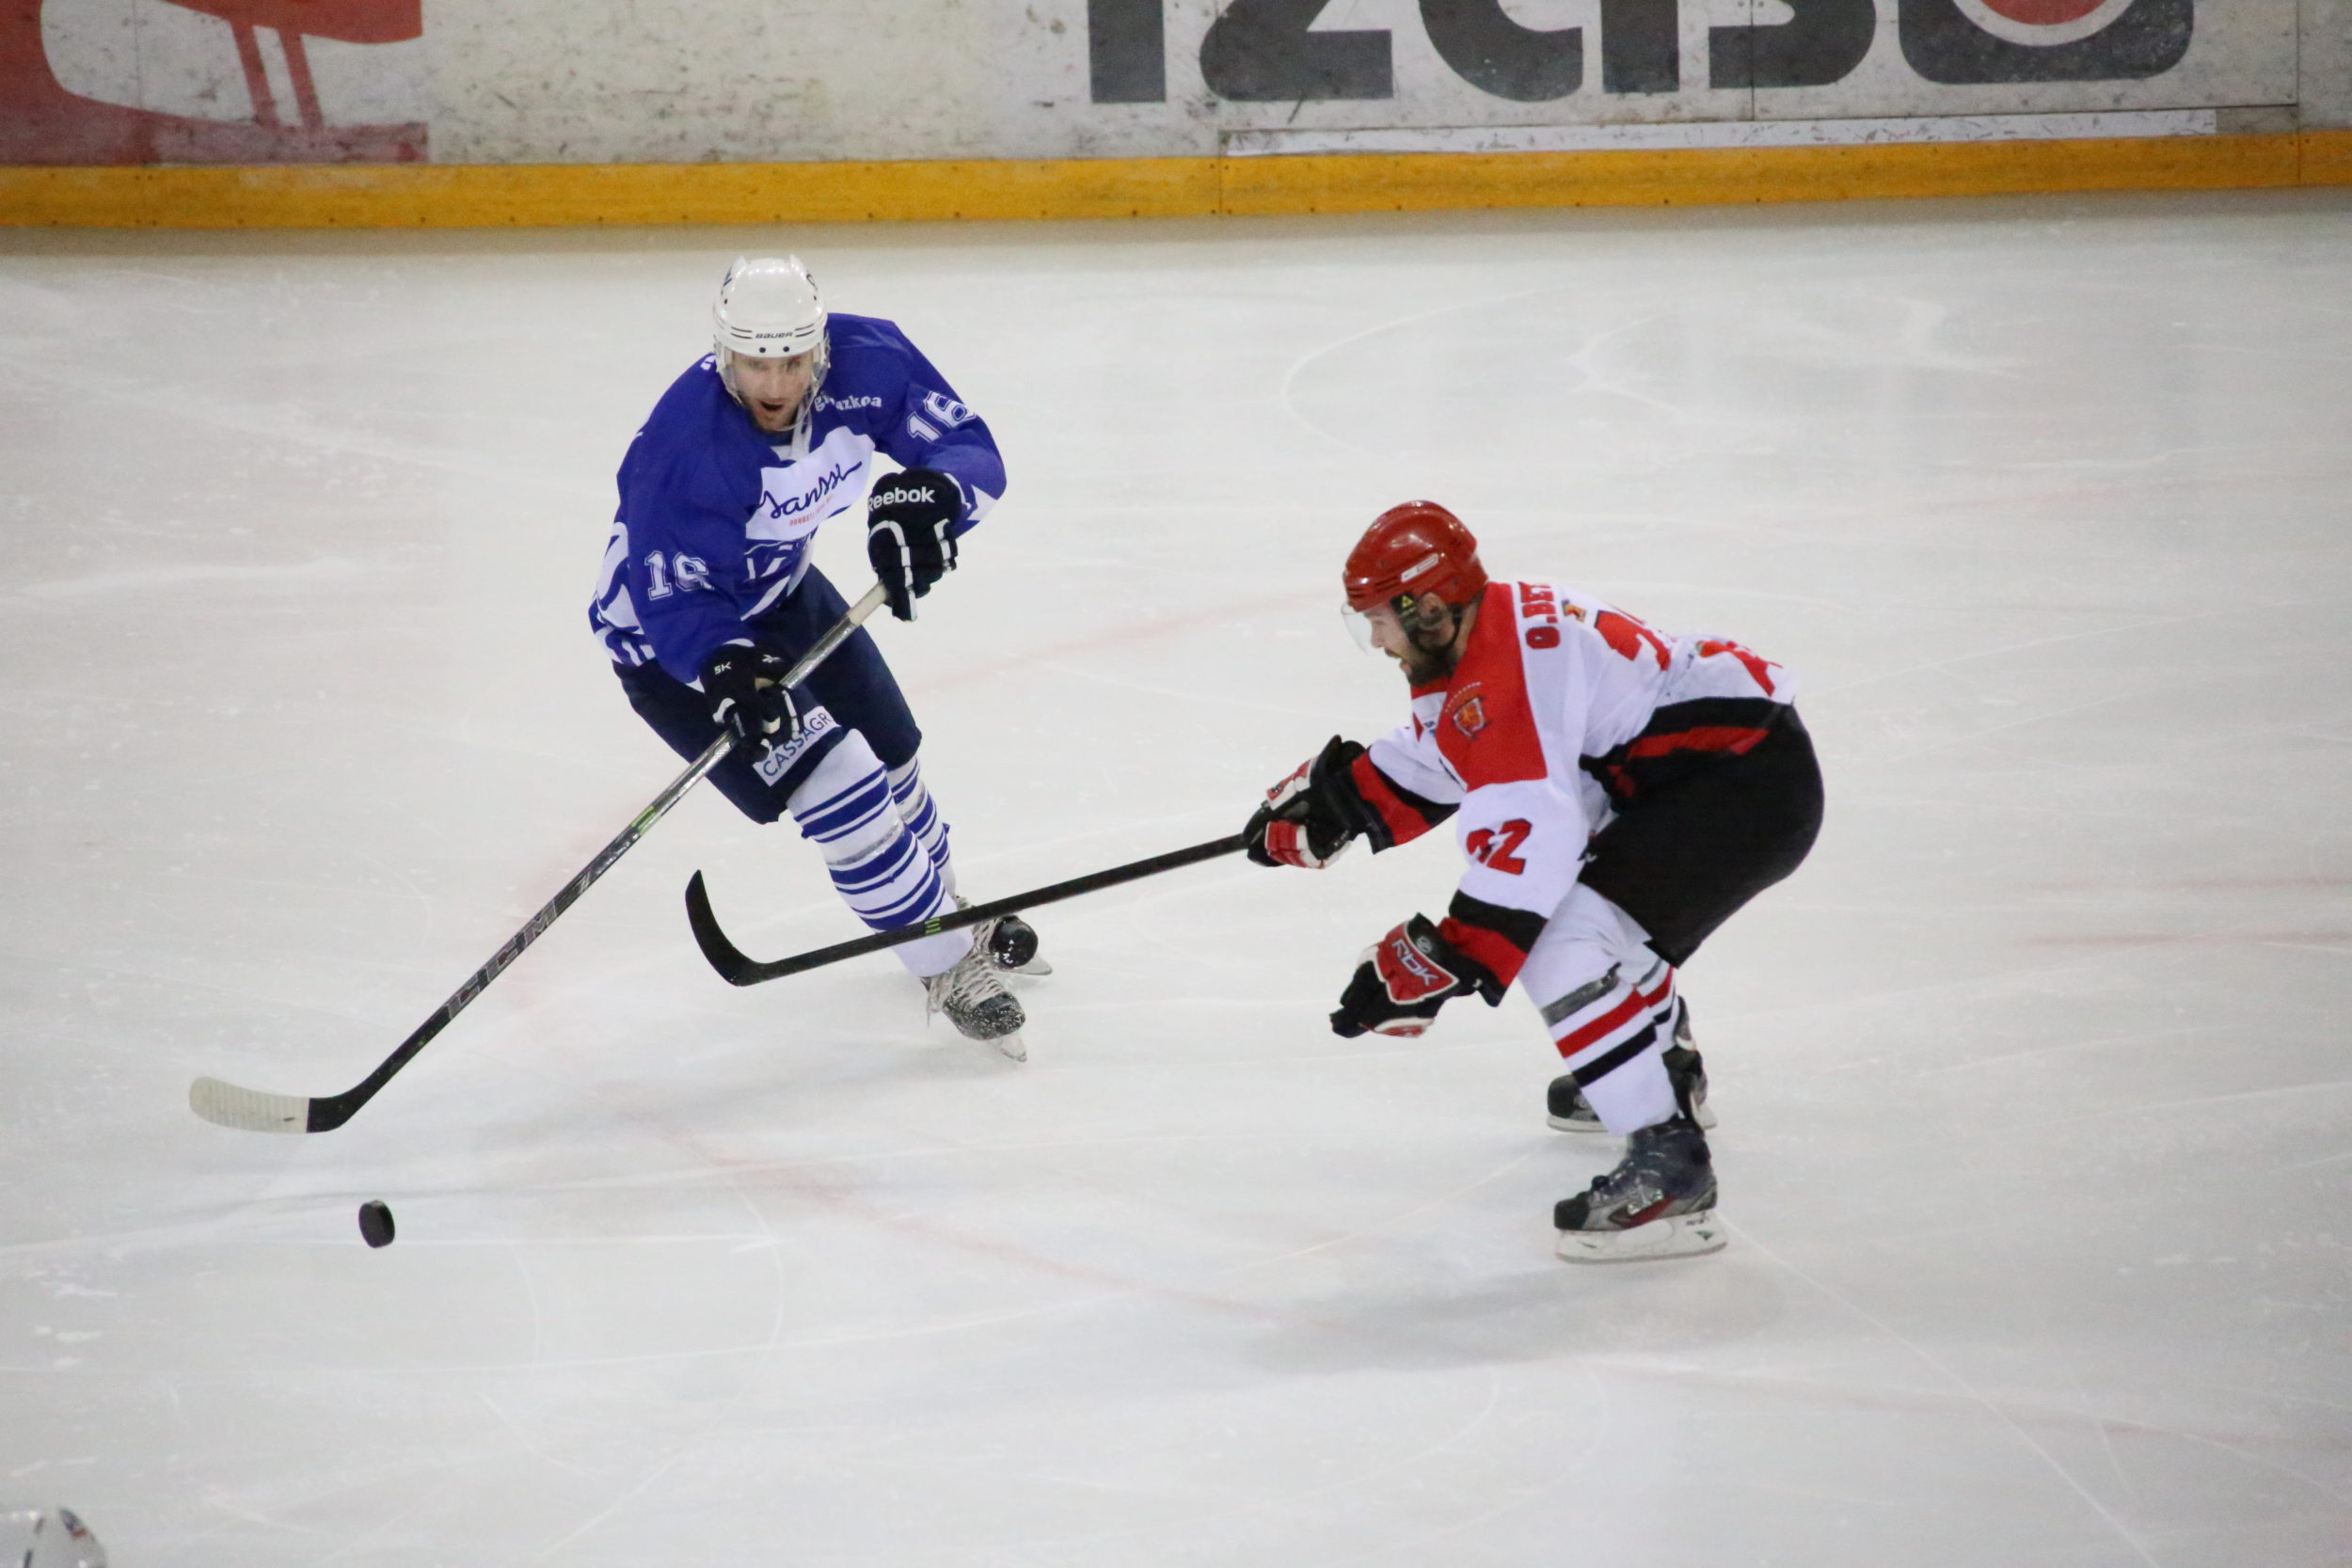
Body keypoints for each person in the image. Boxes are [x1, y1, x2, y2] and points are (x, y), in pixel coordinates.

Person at [1244, 502, 1822, 1260]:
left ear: (1428, 607)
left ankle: (1668, 1160)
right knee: (1596, 910)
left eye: (1380, 620)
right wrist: (1343, 801)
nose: (1377, 641)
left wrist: (1442, 961)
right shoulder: (1482, 635)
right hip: (1716, 771)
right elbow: (1452, 748)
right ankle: (1656, 1069)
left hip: (1743, 789)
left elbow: (1528, 856)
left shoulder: (1501, 675)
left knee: (1563, 941)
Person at [589, 256, 1045, 1056]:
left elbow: (968, 448)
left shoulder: (874, 359)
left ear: (821, 350)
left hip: (785, 593)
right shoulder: (682, 446)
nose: (775, 383)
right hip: (674, 645)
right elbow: (669, 595)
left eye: (793, 360)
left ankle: (940, 902)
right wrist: (723, 666)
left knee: (897, 759)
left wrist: (932, 499)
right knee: (839, 779)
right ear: (724, 353)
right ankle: (943, 962)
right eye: (755, 363)